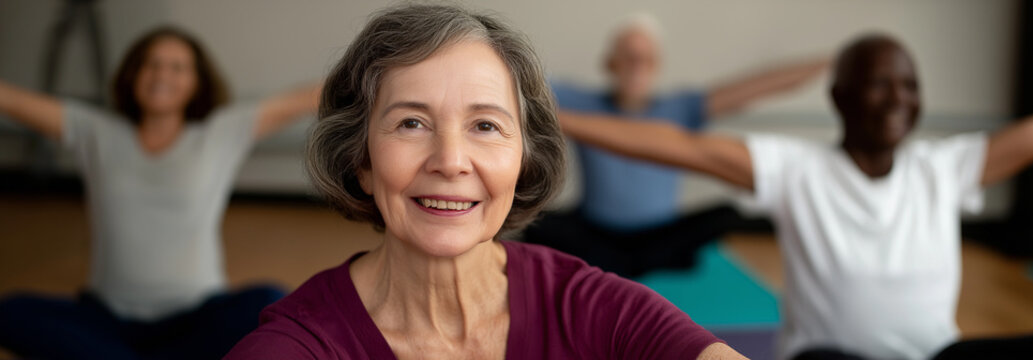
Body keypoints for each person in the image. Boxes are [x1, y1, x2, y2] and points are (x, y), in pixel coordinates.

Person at [225, 5, 747, 360]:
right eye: (411, 122)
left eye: (485, 126)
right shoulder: (299, 345)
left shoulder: (586, 303)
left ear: (524, 159)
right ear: (359, 159)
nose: (451, 161)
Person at [557, 33, 1033, 360]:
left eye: (909, 85)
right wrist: (558, 118)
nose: (897, 97)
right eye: (878, 84)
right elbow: (679, 145)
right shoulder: (795, 168)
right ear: (841, 97)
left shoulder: (944, 168)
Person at [0, 26, 320, 359]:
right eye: (150, 64)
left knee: (269, 299)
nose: (161, 75)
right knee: (10, 313)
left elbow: (300, 100)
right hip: (107, 319)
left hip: (197, 320)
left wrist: (373, 82)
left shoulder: (220, 132)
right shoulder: (95, 131)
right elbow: (14, 102)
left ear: (197, 82)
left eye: (177, 67)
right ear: (133, 74)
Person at [525, 14, 829, 277]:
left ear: (657, 65)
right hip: (596, 235)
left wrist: (833, 61)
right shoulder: (582, 102)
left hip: (662, 239)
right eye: (628, 57)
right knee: (535, 223)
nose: (637, 66)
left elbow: (756, 87)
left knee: (728, 214)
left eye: (645, 59)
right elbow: (519, 74)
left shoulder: (680, 108)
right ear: (610, 63)